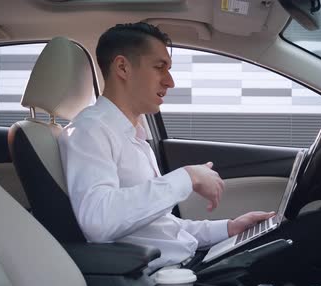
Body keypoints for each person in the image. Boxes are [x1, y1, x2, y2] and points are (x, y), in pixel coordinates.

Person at [58, 22, 275, 271]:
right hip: (159, 283)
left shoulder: (134, 137)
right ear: (122, 67)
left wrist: (229, 228)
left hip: (186, 266)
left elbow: (158, 227)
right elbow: (98, 221)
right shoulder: (90, 130)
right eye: (160, 67)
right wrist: (188, 177)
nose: (170, 82)